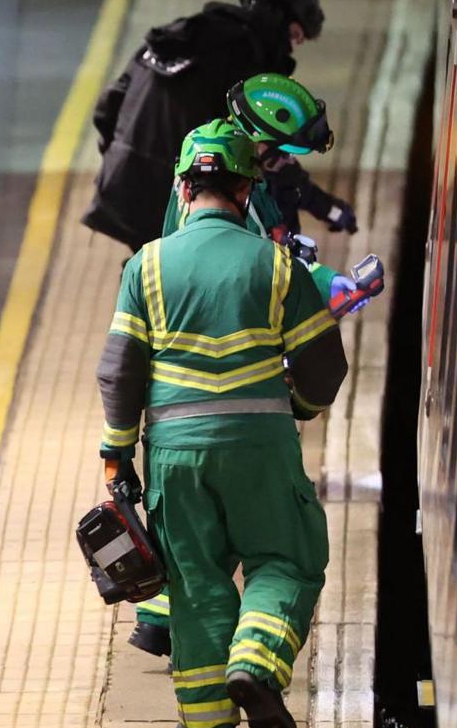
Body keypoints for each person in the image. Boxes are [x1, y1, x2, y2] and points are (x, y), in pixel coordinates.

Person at [99, 122, 359, 728]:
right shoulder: (275, 265)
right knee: (287, 559)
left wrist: (117, 452)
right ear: (246, 190)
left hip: (174, 456)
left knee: (194, 580)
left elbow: (120, 369)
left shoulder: (148, 265)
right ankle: (258, 661)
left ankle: (209, 726)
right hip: (261, 449)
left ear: (183, 187)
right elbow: (325, 365)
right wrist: (298, 405)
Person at [129, 73, 372, 661]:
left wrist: (116, 448)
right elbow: (261, 259)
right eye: (277, 152)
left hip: (176, 396)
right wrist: (324, 287)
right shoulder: (236, 183)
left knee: (195, 525)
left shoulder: (207, 167)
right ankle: (251, 660)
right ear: (253, 146)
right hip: (235, 369)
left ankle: (166, 625)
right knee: (268, 528)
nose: (280, 164)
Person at [84, 0, 357, 249]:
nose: (292, 48)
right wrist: (321, 204)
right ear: (277, 19)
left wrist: (120, 162)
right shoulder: (248, 63)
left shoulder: (177, 34)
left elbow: (107, 108)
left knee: (149, 274)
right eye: (295, 35)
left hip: (121, 185)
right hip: (178, 198)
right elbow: (266, 152)